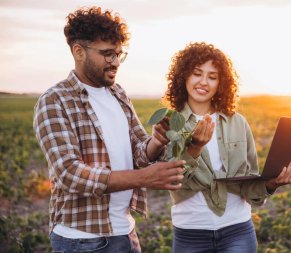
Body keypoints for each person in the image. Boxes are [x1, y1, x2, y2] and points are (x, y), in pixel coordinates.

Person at [33, 6, 184, 253]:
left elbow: (139, 150)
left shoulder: (118, 93)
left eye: (119, 54)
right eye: (107, 54)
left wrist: (156, 141)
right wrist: (145, 178)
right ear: (79, 51)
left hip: (125, 233)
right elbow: (70, 173)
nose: (115, 62)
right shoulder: (55, 100)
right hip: (82, 240)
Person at [163, 42, 291, 253]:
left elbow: (248, 180)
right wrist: (196, 147)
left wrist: (272, 184)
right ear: (184, 77)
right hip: (191, 233)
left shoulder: (238, 122)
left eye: (212, 76)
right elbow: (172, 179)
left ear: (221, 83)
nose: (203, 82)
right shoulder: (171, 123)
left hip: (237, 230)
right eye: (197, 73)